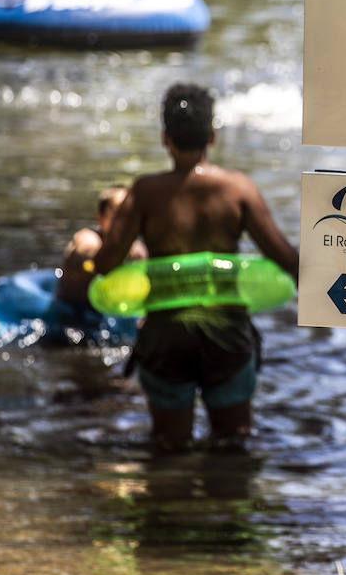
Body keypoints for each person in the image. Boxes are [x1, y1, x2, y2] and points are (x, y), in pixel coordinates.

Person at [92, 83, 299, 452]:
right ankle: (228, 503)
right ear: (212, 136)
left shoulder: (144, 192)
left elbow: (106, 264)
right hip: (227, 334)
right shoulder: (238, 190)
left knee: (169, 447)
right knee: (235, 445)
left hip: (165, 335)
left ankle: (171, 504)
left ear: (165, 138)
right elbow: (285, 258)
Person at [54, 185, 148, 310]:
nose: (124, 221)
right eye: (117, 213)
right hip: (71, 311)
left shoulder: (137, 251)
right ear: (99, 218)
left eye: (129, 215)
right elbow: (86, 249)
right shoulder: (88, 238)